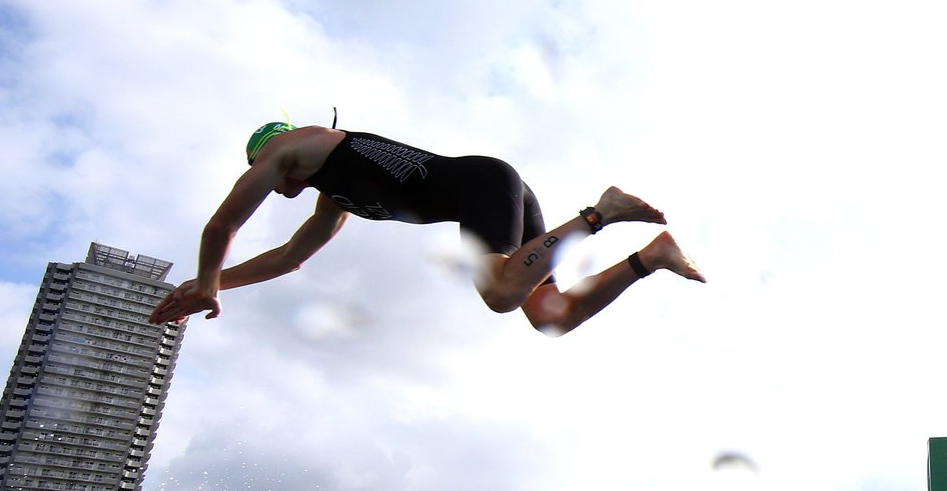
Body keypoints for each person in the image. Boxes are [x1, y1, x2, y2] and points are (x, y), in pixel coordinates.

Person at [148, 119, 704, 332]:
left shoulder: (296, 145)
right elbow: (290, 257)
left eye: (264, 174)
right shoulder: (331, 198)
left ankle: (601, 211)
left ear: (266, 156)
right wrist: (218, 285)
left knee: (502, 294)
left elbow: (222, 224)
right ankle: (650, 256)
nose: (276, 187)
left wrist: (205, 278)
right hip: (490, 196)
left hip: (485, 183)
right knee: (550, 316)